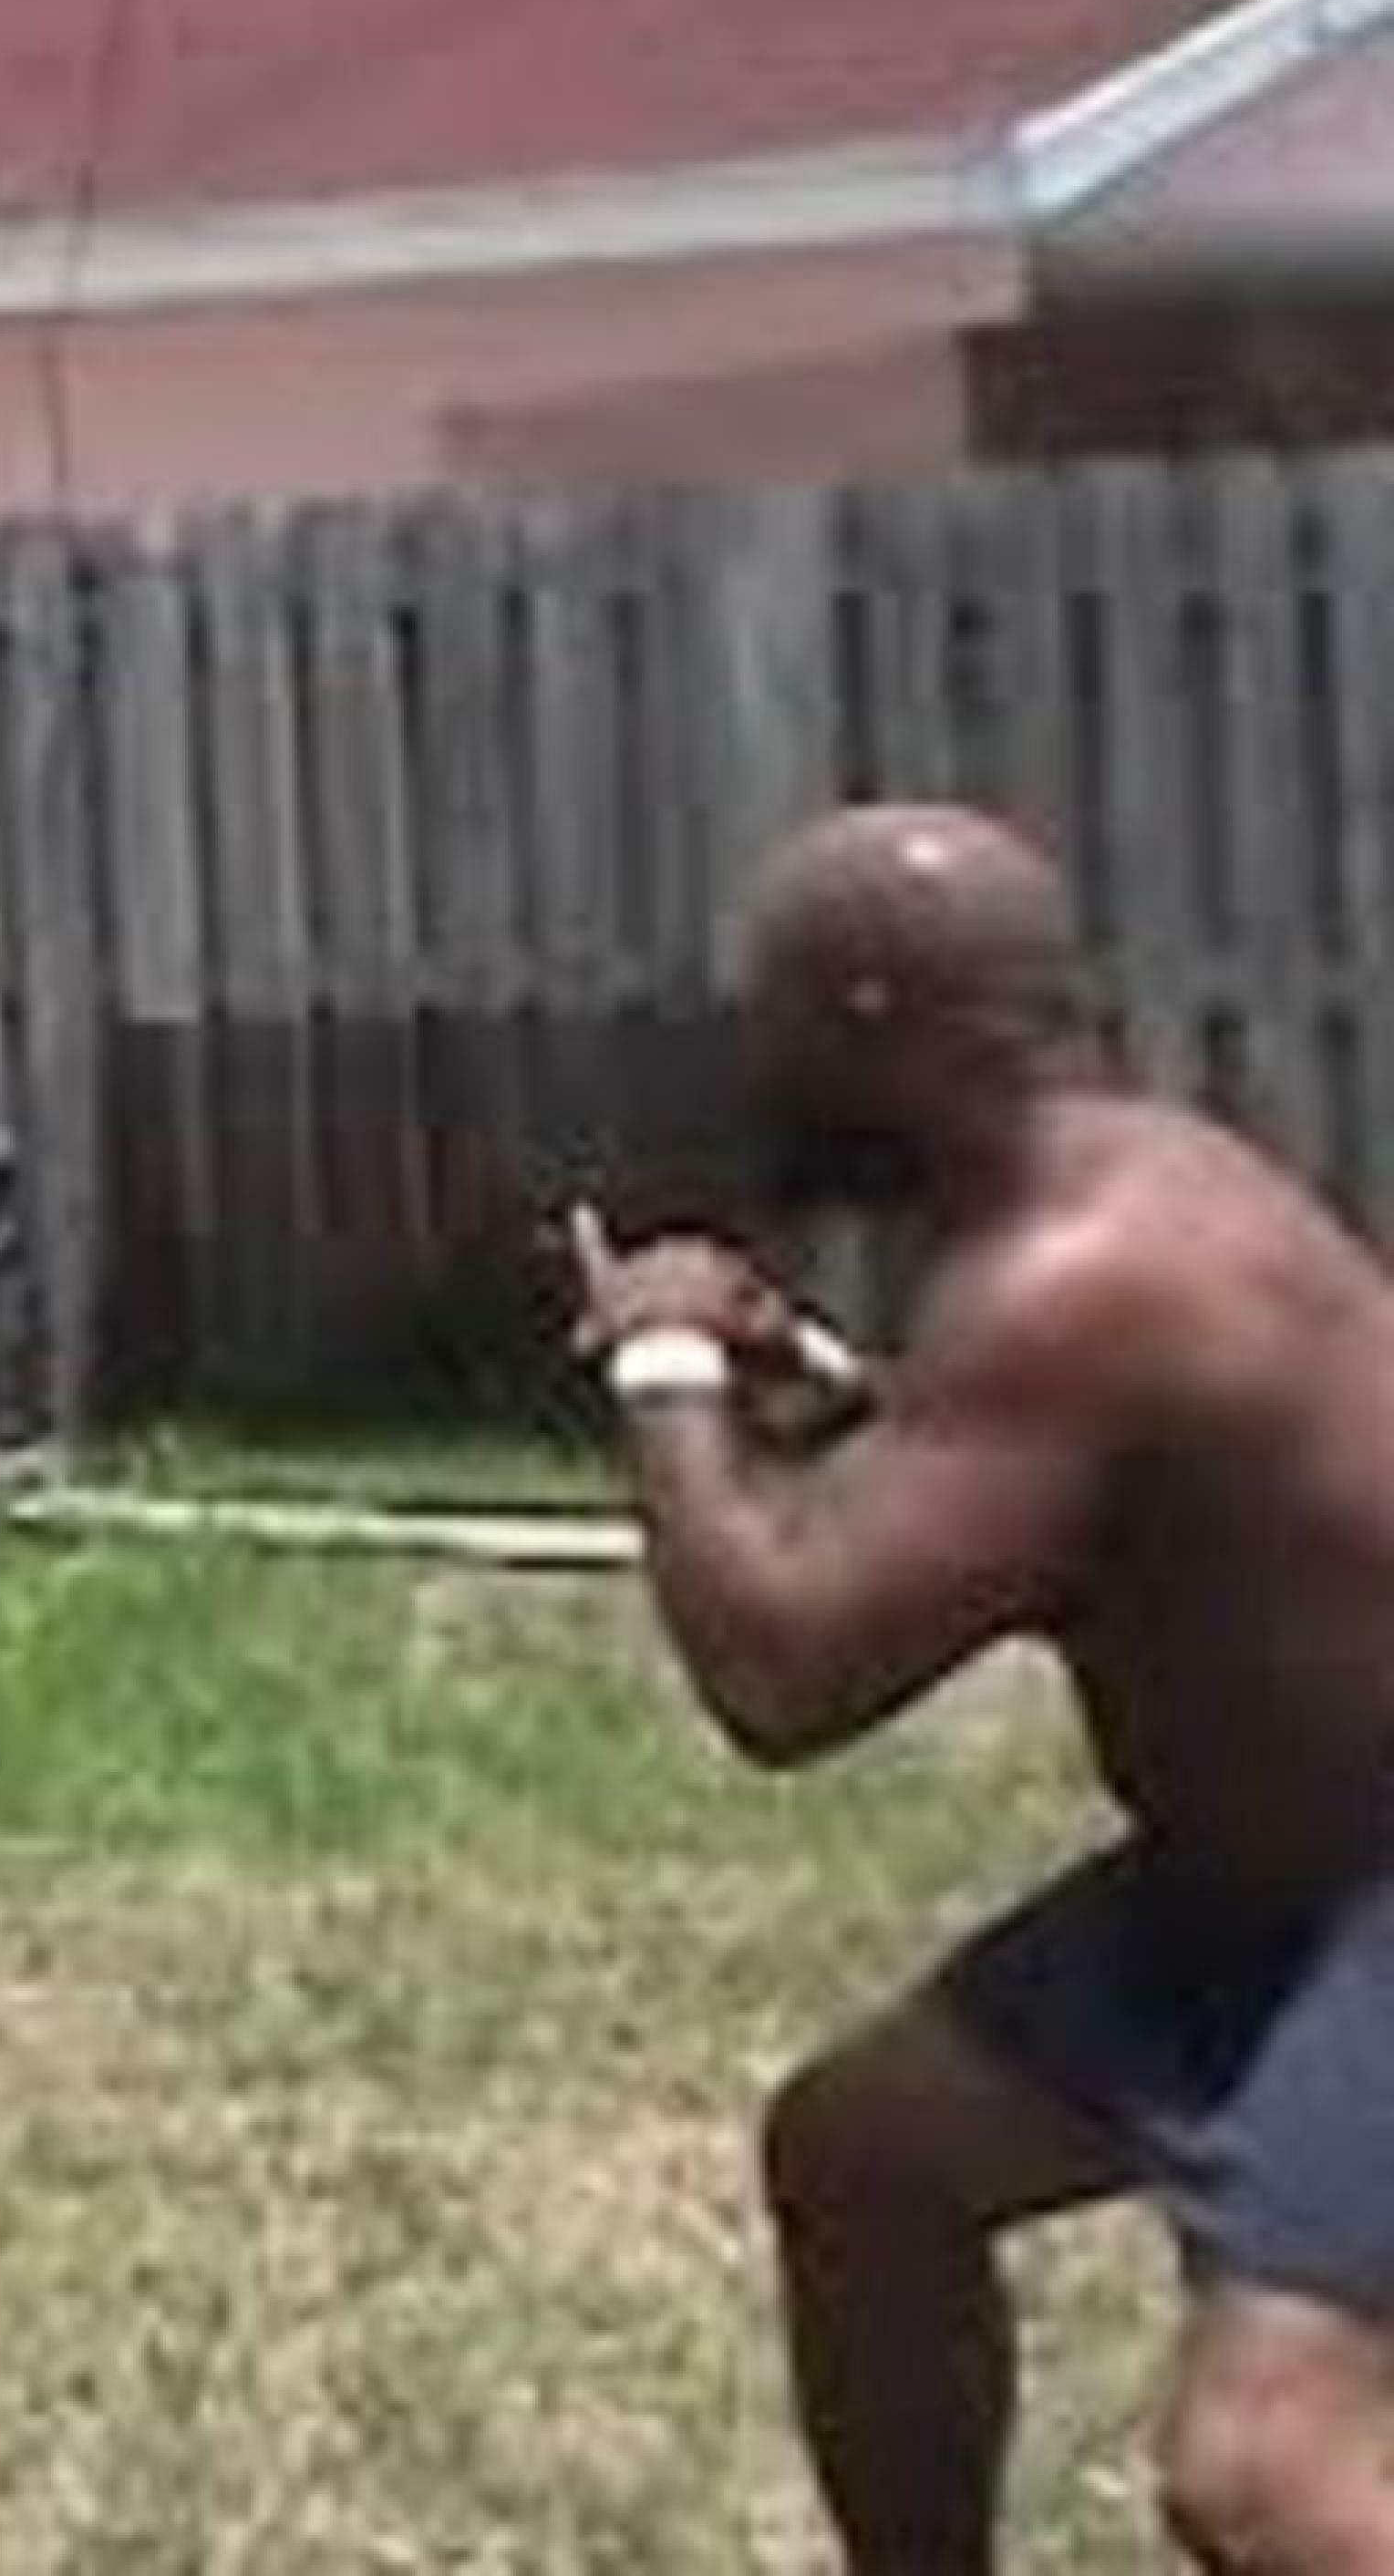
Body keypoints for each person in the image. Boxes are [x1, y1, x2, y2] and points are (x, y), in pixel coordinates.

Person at [571, 802, 1394, 2574]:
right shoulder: (1128, 1190)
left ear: (876, 1022)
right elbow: (1083, 1510)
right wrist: (828, 1391)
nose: (759, 1068)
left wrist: (661, 1366)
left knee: (1261, 2475)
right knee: (867, 2160)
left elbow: (783, 1676)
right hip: (1260, 1894)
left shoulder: (1072, 1283)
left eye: (781, 1020)